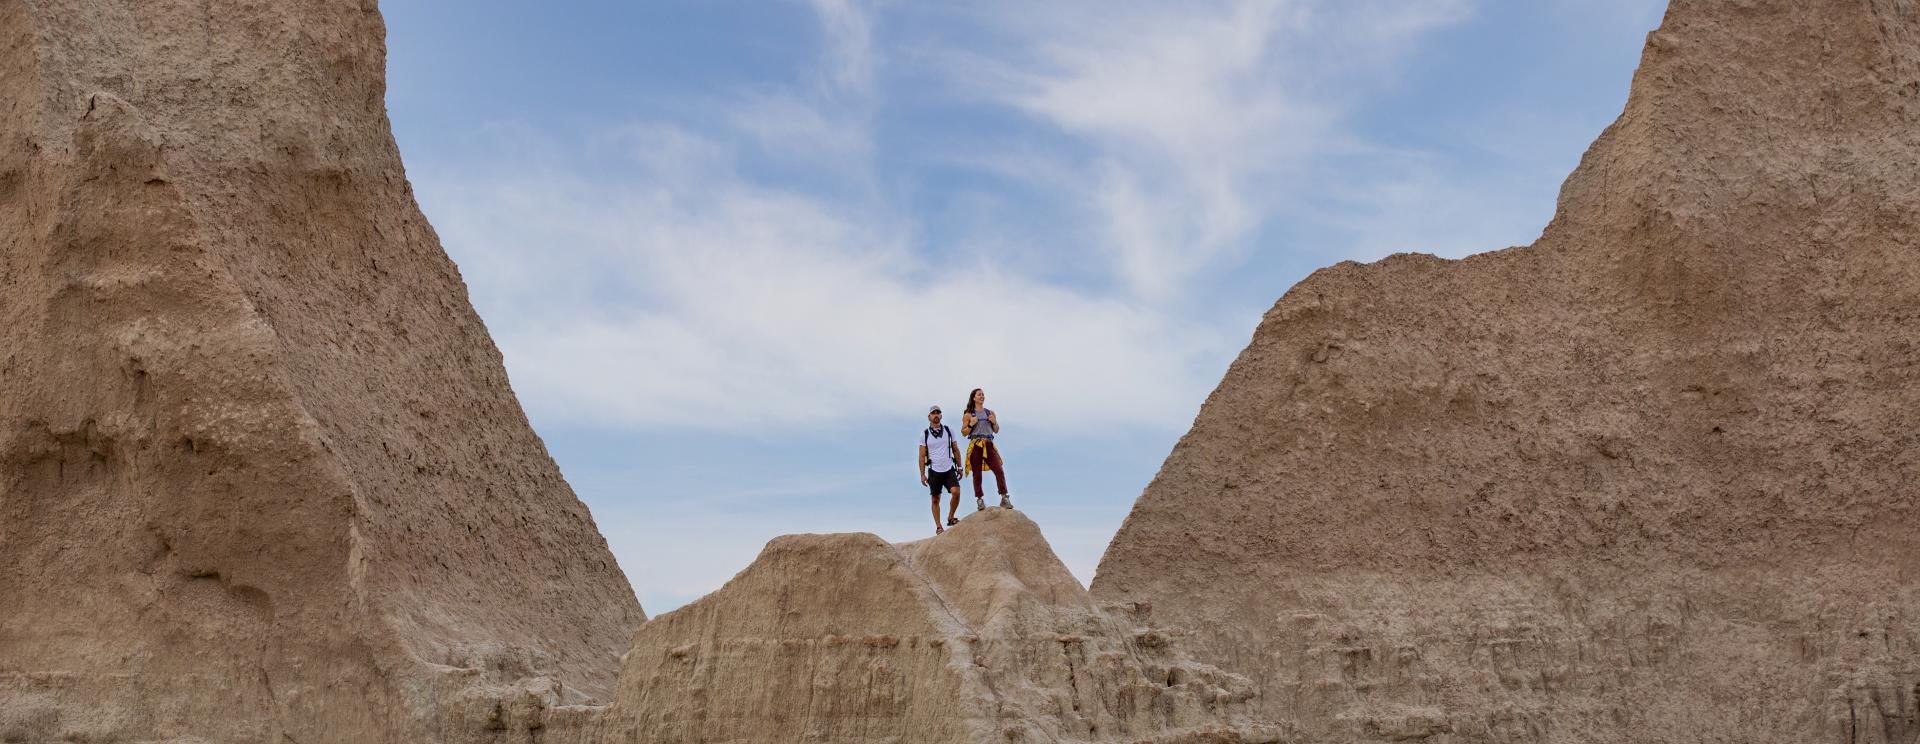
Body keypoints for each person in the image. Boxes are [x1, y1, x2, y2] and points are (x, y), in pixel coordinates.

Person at [961, 388, 1012, 510]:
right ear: (974, 398)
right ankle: (979, 500)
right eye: (979, 395)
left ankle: (1004, 496)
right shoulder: (968, 414)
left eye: (983, 394)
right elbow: (963, 432)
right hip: (976, 445)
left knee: (999, 470)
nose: (982, 396)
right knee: (977, 474)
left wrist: (994, 422)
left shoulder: (990, 413)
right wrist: (971, 424)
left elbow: (996, 430)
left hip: (989, 444)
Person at [918, 405, 966, 534]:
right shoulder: (925, 434)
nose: (936, 415)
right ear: (929, 417)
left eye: (938, 413)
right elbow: (922, 455)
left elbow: (955, 449)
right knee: (935, 499)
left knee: (956, 492)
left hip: (948, 468)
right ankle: (939, 526)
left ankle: (951, 517)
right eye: (933, 413)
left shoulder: (949, 431)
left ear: (941, 416)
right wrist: (922, 474)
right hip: (934, 470)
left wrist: (960, 467)